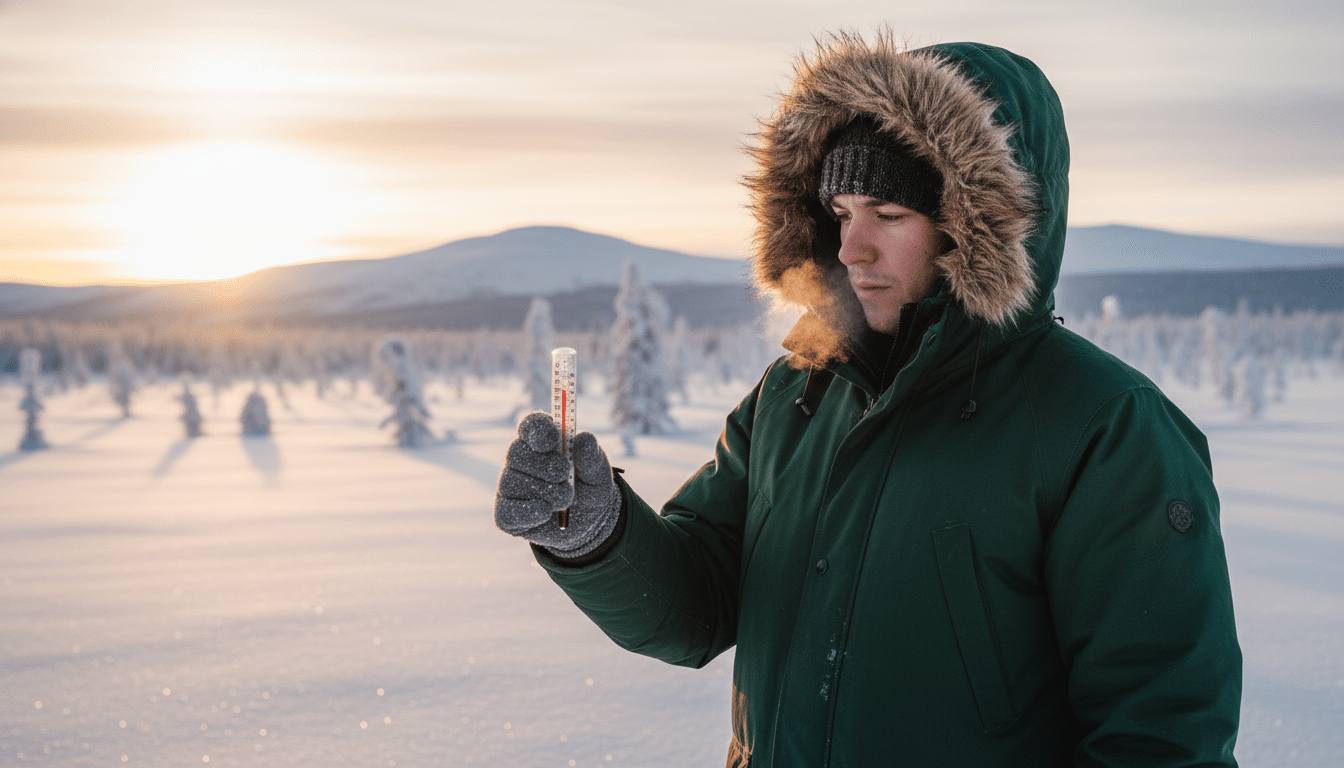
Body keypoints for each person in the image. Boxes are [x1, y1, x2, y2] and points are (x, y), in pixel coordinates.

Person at [495, 31, 1241, 766]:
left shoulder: (1105, 426)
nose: (853, 248)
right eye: (843, 213)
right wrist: (600, 538)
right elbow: (698, 606)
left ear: (975, 228)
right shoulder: (796, 394)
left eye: (889, 215)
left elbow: (1160, 737)